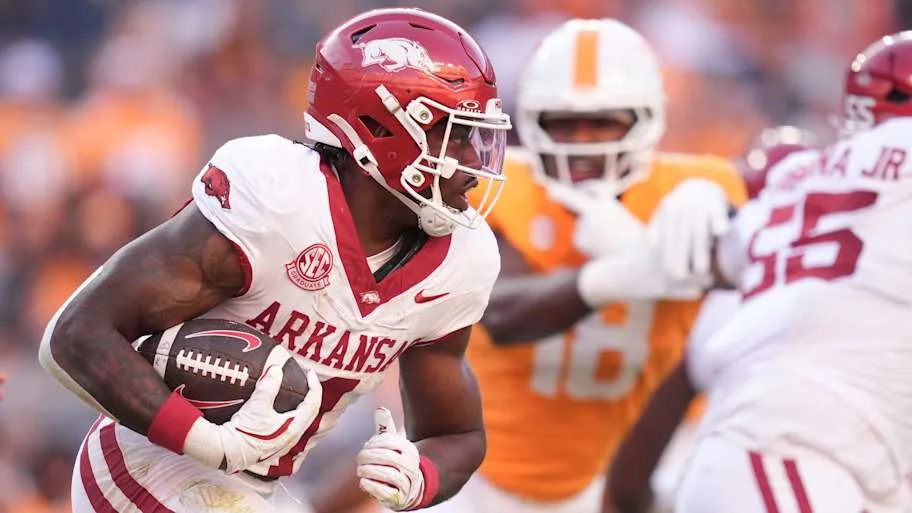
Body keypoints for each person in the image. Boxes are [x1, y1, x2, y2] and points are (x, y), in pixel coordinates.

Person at [38, 7, 512, 512]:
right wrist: (207, 441)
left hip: (256, 487)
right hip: (147, 459)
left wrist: (420, 476)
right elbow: (75, 335)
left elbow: (457, 433)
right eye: (454, 134)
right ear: (380, 127)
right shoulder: (278, 199)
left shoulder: (462, 259)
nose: (472, 161)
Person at [422, 18, 747, 513]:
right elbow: (498, 309)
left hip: (653, 465)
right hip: (489, 477)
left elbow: (759, 282)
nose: (583, 140)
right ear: (532, 121)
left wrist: (723, 224)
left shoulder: (698, 187)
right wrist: (634, 268)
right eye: (564, 122)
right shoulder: (495, 188)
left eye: (603, 121)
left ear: (647, 120)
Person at [609, 31, 912, 513]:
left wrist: (715, 200)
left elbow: (721, 258)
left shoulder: (804, 184)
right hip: (798, 449)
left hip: (783, 447)